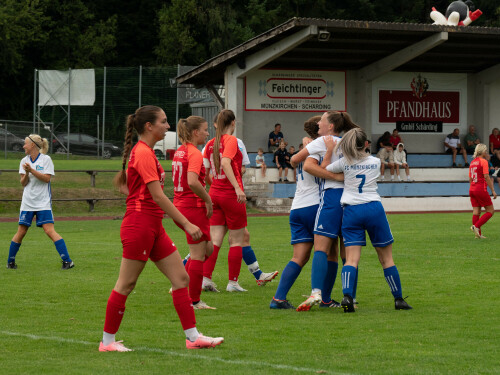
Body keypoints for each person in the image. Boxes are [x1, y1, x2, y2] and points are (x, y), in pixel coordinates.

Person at [100, 105, 223, 352]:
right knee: (126, 284)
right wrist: (187, 223)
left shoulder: (145, 152)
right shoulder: (143, 153)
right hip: (140, 225)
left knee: (181, 279)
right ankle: (107, 342)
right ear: (149, 126)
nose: (168, 126)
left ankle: (192, 337)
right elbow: (157, 196)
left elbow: (139, 190)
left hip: (152, 225)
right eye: (164, 122)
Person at [324, 127, 412, 312]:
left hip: (351, 210)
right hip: (373, 208)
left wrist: (330, 152)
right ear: (366, 144)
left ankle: (348, 297)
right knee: (386, 259)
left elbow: (325, 169)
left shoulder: (344, 162)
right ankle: (398, 299)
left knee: (351, 260)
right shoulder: (374, 161)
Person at [201, 113, 278, 292]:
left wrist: (216, 187)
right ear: (233, 123)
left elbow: (205, 173)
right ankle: (233, 283)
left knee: (216, 239)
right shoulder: (232, 141)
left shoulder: (210, 144)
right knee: (237, 240)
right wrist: (237, 187)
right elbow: (226, 163)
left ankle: (206, 278)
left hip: (215, 194)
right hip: (230, 195)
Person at [290, 111, 359, 311]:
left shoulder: (323, 141)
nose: (319, 122)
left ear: (330, 126)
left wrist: (311, 147)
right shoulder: (350, 141)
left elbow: (297, 161)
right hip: (352, 199)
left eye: (322, 120)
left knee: (322, 247)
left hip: (331, 198)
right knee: (349, 252)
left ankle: (317, 293)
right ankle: (350, 297)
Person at [270, 116, 322, 309]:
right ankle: (324, 298)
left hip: (297, 207)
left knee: (299, 257)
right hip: (314, 205)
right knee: (325, 251)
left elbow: (293, 162)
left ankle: (278, 298)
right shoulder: (320, 148)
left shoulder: (304, 149)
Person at [6, 134, 74, 270]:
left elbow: (47, 179)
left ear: (32, 145)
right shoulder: (23, 161)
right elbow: (23, 183)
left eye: (25, 144)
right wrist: (26, 173)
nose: (23, 146)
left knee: (49, 231)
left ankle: (67, 261)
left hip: (43, 203)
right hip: (27, 203)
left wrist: (31, 170)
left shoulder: (46, 159)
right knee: (21, 232)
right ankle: (10, 262)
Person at [172, 116, 215, 310]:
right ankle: (194, 300)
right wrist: (207, 199)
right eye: (205, 130)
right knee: (198, 255)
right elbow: (192, 181)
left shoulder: (179, 151)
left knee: (208, 249)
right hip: (193, 207)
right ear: (195, 132)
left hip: (181, 206)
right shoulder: (194, 153)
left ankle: (180, 285)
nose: (207, 133)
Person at [469, 143, 497, 239]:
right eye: (486, 151)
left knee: (476, 211)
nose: (486, 152)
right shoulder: (483, 161)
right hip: (480, 188)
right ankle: (476, 226)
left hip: (472, 189)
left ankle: (478, 235)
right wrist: (493, 190)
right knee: (490, 211)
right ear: (483, 151)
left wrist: (472, 188)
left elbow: (470, 178)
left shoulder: (472, 162)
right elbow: (486, 176)